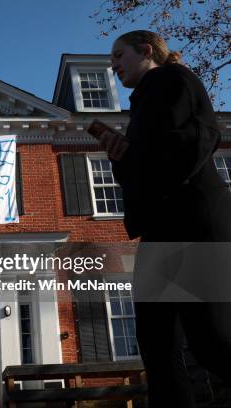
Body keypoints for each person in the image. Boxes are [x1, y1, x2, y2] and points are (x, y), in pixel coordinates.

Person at [104, 30, 231, 406]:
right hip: (161, 230)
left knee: (212, 341)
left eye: (118, 56)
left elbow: (189, 146)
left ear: (145, 51)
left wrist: (132, 155)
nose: (113, 66)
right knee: (156, 342)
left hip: (192, 222)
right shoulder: (144, 101)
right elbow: (147, 168)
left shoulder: (173, 79)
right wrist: (121, 157)